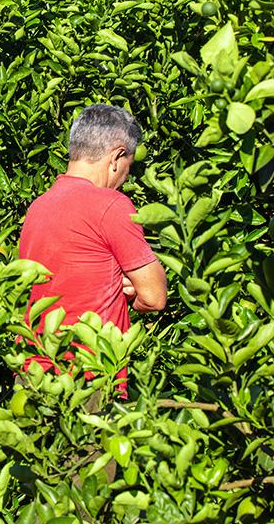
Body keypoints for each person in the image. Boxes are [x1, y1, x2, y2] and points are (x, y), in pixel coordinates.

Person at [18, 104, 167, 390]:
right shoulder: (111, 205)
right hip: (87, 374)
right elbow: (154, 296)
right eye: (128, 166)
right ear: (117, 157)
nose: (125, 177)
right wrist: (134, 294)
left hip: (32, 372)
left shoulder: (38, 207)